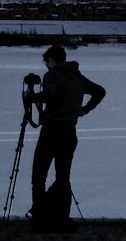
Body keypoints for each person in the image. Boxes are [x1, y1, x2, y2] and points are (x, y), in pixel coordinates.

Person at [25, 45, 105, 231]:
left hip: (51, 132)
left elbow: (49, 95)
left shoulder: (52, 75)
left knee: (38, 175)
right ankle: (62, 218)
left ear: (51, 60)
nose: (47, 67)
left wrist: (32, 97)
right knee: (63, 177)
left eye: (47, 63)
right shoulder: (76, 75)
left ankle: (40, 219)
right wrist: (84, 109)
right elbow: (100, 91)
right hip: (69, 133)